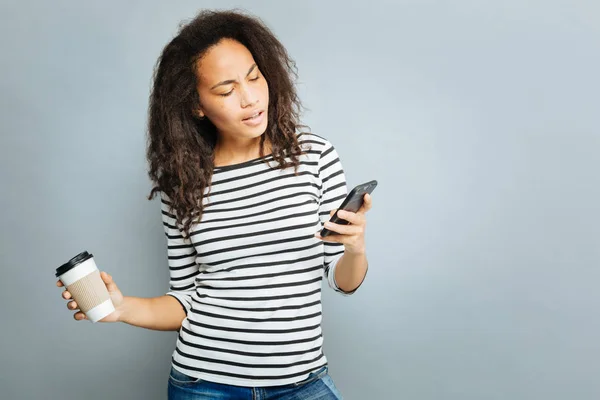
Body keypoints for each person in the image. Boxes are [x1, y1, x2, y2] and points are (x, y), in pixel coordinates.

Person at [56, 9, 372, 400]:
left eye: (254, 76)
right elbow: (186, 298)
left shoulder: (314, 156)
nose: (250, 98)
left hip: (302, 383)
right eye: (226, 90)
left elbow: (342, 281)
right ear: (197, 106)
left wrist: (355, 247)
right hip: (205, 385)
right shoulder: (183, 187)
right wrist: (122, 308)